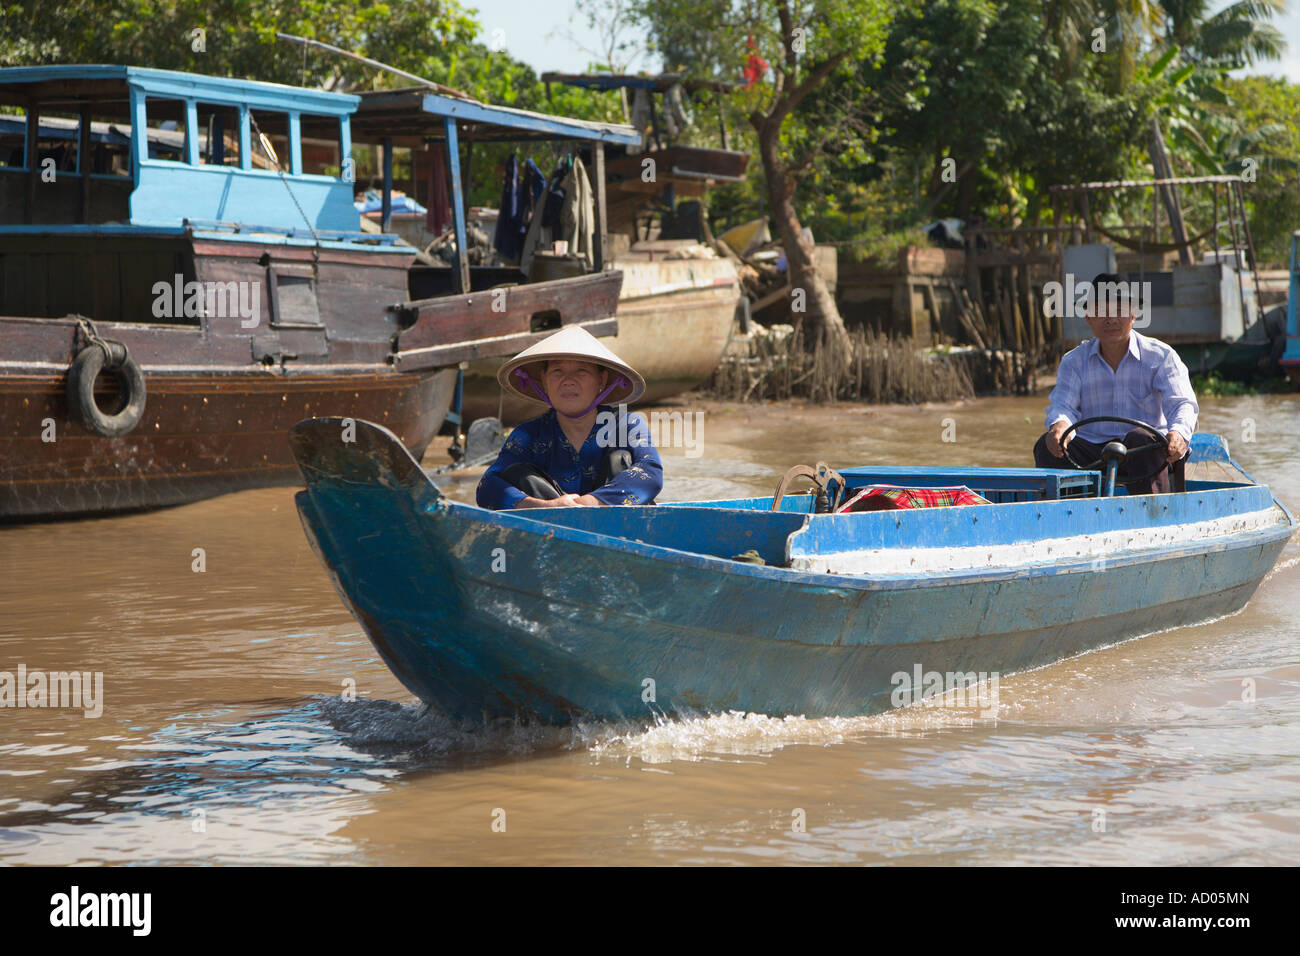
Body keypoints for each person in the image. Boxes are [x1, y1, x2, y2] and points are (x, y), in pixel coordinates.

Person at [1034, 273, 1198, 494]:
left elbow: (1182, 404)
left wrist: (1178, 434)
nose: (1110, 319)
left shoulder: (1161, 355)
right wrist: (1059, 428)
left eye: (1119, 311)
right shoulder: (1074, 361)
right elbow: (1064, 407)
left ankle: (1153, 513)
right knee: (1045, 446)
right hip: (1093, 452)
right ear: (1088, 317)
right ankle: (1067, 516)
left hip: (1145, 451)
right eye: (1101, 311)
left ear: (1133, 314)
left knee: (1139, 439)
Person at [476, 326, 663, 510]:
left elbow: (651, 473)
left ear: (602, 380)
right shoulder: (528, 435)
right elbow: (487, 485)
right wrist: (544, 506)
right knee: (517, 474)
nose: (568, 380)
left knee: (620, 460)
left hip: (616, 522)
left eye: (581, 370)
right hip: (551, 527)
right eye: (558, 371)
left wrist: (592, 502)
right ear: (544, 379)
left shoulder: (626, 425)